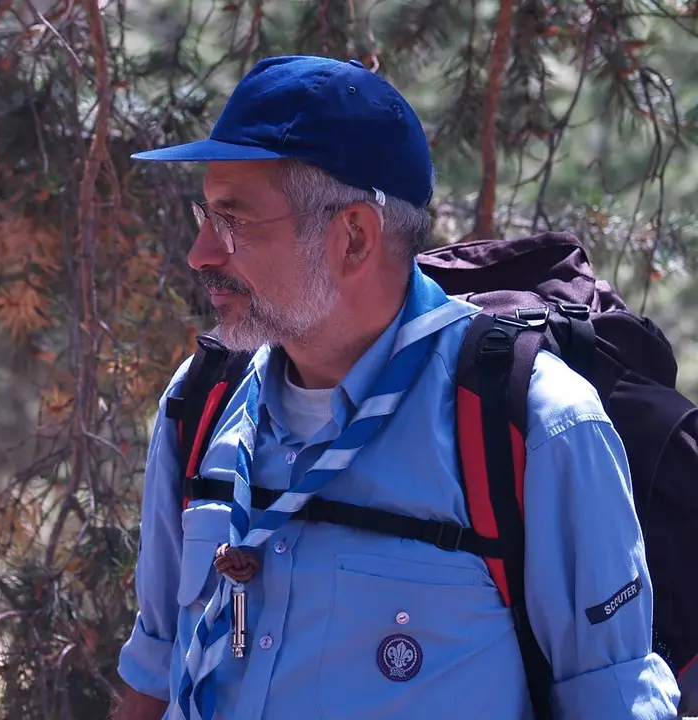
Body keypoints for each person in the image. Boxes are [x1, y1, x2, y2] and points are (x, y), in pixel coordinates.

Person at [114, 55, 683, 720]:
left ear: (353, 238)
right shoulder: (201, 401)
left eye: (234, 221)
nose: (202, 253)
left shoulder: (535, 426)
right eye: (204, 215)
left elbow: (610, 706)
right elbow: (153, 681)